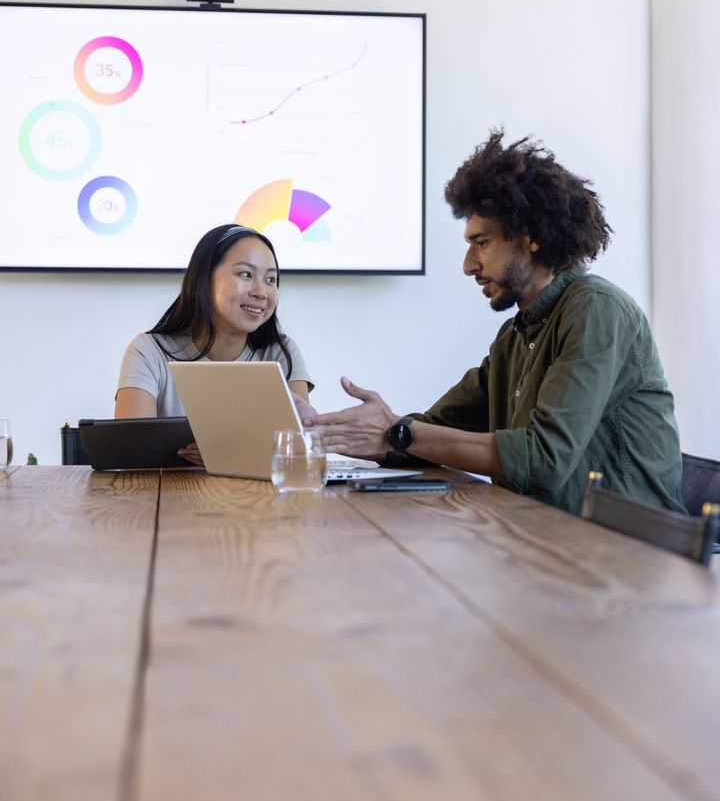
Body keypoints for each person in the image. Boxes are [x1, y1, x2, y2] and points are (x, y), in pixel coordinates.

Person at [304, 130, 685, 515]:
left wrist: (396, 433)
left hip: (626, 555)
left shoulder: (596, 310)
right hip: (542, 540)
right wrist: (345, 434)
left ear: (531, 237)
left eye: (481, 243)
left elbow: (543, 459)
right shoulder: (515, 335)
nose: (468, 265)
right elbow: (426, 431)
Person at [116, 223, 313, 463]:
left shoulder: (281, 352)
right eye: (246, 274)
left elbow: (299, 455)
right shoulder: (148, 351)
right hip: (168, 497)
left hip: (259, 499)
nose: (261, 292)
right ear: (204, 279)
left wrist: (232, 455)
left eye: (271, 279)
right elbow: (132, 455)